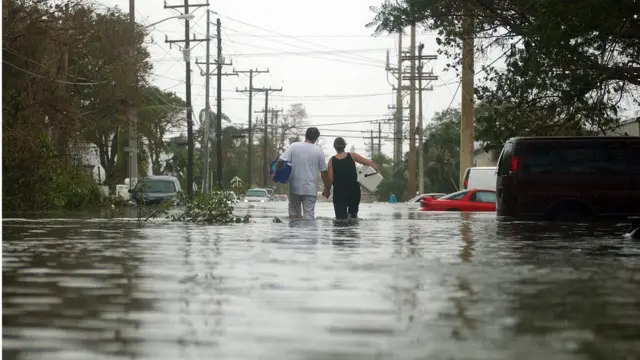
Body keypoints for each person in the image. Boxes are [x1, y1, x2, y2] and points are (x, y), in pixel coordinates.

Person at [273, 127, 329, 220]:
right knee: (308, 216)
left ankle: (294, 233)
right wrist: (326, 188)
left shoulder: (293, 146)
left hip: (294, 187)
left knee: (293, 216)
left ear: (305, 135)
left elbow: (280, 161)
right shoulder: (318, 150)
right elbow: (323, 172)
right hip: (310, 189)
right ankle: (306, 234)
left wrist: (275, 175)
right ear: (316, 139)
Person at [323, 137, 376, 219]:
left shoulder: (331, 161)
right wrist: (376, 173)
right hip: (354, 191)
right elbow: (370, 163)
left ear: (334, 147)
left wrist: (327, 191)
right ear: (344, 146)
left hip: (339, 193)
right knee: (353, 218)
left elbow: (330, 179)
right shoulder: (352, 156)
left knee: (340, 220)